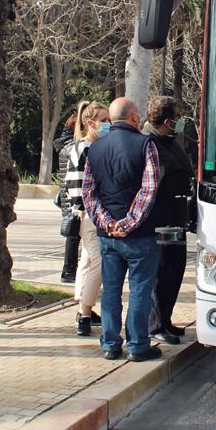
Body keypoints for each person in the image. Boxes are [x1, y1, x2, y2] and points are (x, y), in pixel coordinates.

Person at [82, 97, 162, 362]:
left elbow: (89, 193)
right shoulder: (146, 144)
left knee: (111, 291)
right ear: (135, 117)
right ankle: (138, 345)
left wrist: (107, 223)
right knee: (139, 290)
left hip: (108, 236)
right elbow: (149, 188)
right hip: (139, 235)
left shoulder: (94, 149)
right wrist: (128, 223)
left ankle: (110, 343)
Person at [142, 96, 194, 344]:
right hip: (161, 218)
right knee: (162, 272)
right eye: (177, 117)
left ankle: (165, 319)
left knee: (175, 269)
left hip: (176, 216)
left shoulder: (169, 140)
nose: (180, 121)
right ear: (166, 121)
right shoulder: (149, 143)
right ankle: (155, 324)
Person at [65, 101, 110, 336]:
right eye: (104, 120)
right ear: (90, 123)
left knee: (87, 261)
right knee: (99, 262)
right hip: (91, 214)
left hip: (84, 213)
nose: (108, 124)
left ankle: (84, 310)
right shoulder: (88, 148)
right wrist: (88, 210)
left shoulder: (80, 146)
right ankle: (84, 314)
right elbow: (80, 186)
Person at [57, 103, 88, 282]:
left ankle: (69, 270)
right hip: (74, 194)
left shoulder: (65, 146)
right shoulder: (75, 148)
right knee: (74, 234)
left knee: (73, 233)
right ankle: (69, 271)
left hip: (66, 194)